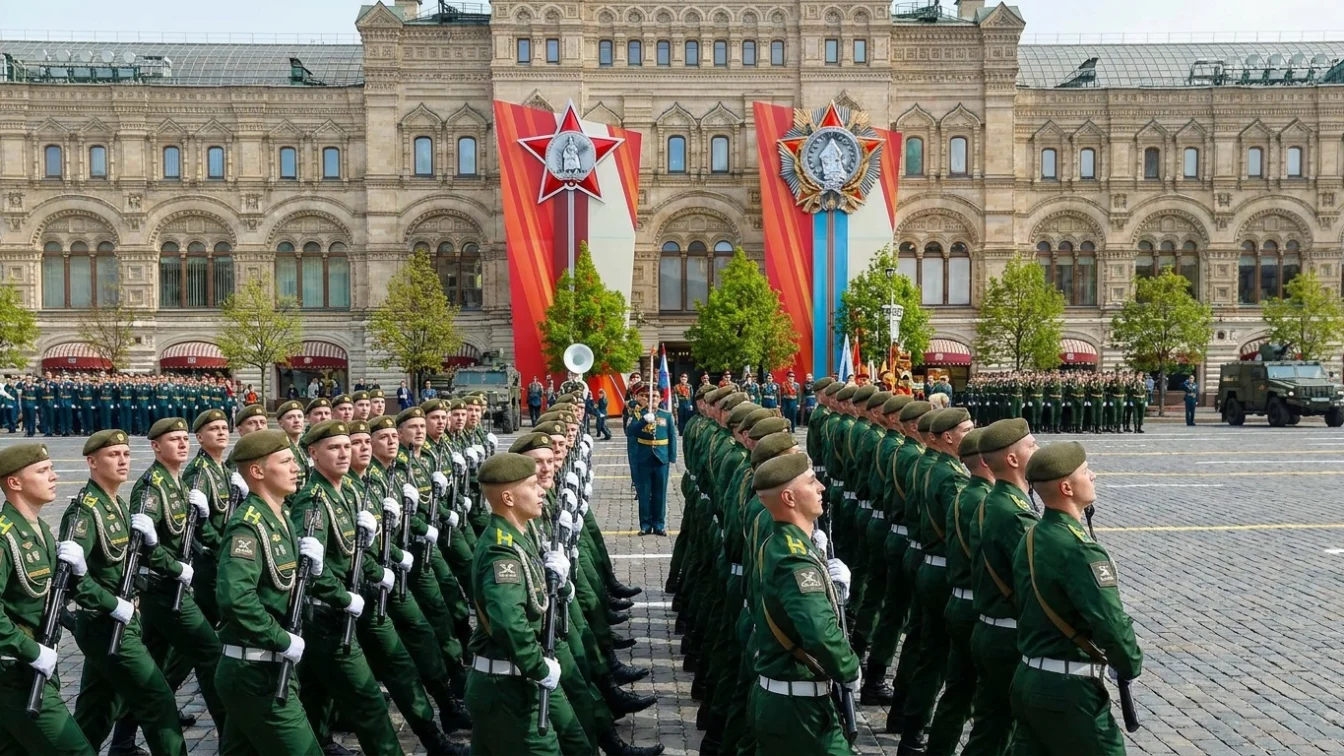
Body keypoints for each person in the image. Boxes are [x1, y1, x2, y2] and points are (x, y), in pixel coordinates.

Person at [1010, 442, 1143, 756]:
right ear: (1067, 488)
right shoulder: (1080, 549)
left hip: (1029, 678)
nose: (1093, 475)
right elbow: (1110, 623)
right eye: (1085, 471)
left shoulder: (1032, 536)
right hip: (1069, 691)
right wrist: (1129, 663)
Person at [64, 430, 190, 755]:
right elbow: (71, 579)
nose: (122, 461)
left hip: (120, 620)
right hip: (106, 623)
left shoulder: (117, 503)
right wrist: (113, 604)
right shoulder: (85, 512)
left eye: (126, 454)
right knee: (157, 698)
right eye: (113, 455)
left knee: (97, 711)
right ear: (92, 462)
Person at [213, 430, 323, 753]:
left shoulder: (281, 516)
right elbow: (236, 599)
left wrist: (313, 574)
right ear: (257, 471)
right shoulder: (248, 525)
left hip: (266, 667)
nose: (296, 468)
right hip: (255, 671)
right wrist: (281, 639)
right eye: (286, 461)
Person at [748, 453, 860, 756]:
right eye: (811, 482)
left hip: (789, 702)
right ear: (789, 497)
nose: (821, 487)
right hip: (798, 710)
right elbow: (818, 631)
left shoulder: (783, 544)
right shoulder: (794, 559)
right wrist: (849, 668)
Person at [464, 452, 573, 755]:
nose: (541, 491)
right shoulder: (501, 551)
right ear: (509, 498)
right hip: (506, 690)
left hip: (504, 683)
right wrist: (538, 667)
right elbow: (509, 620)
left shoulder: (516, 537)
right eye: (532, 485)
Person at [0, 443, 98, 754]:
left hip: (32, 667)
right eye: (43, 471)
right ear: (14, 482)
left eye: (52, 469)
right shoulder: (5, 537)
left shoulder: (38, 528)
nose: (54, 476)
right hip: (15, 672)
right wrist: (31, 651)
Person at [628, 384, 676, 536]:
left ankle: (659, 524)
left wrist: (672, 456)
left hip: (661, 458)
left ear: (660, 399)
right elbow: (630, 432)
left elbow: (672, 436)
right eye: (649, 396)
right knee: (644, 493)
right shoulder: (639, 415)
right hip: (644, 457)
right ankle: (645, 524)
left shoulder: (666, 415)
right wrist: (643, 421)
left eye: (655, 396)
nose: (652, 399)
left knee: (660, 493)